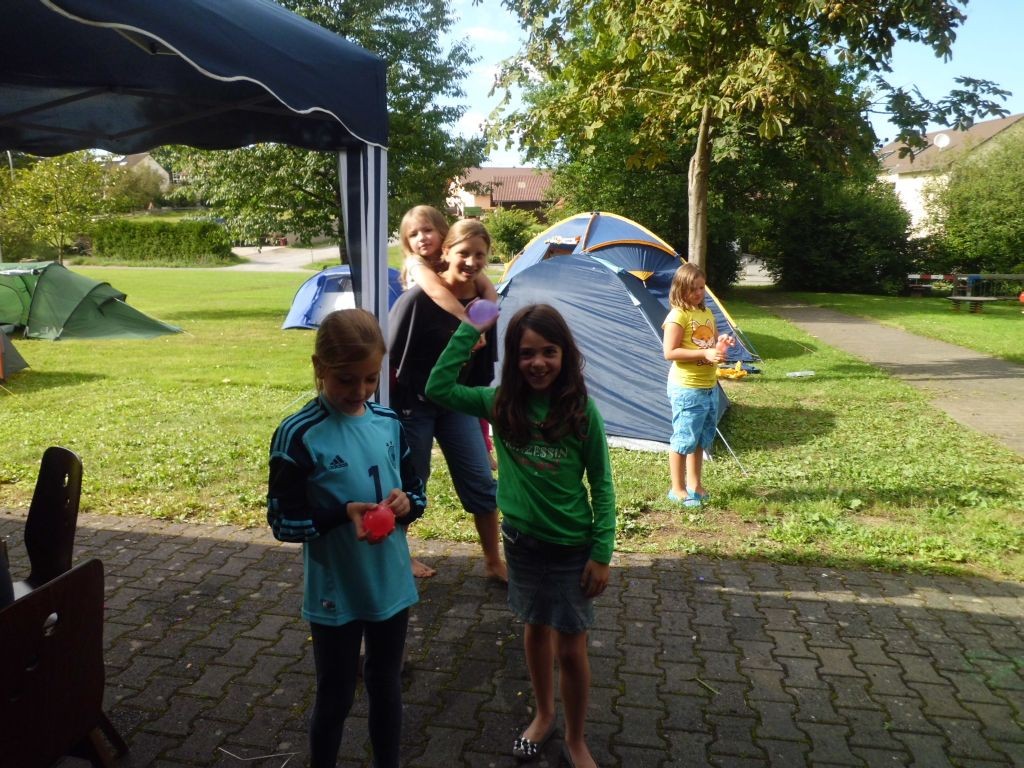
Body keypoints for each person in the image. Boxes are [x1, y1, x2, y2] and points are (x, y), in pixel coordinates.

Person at [425, 303, 616, 768]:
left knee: (571, 649)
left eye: (549, 351)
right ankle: (544, 715)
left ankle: (575, 739)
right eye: (527, 353)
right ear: (513, 357)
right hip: (522, 545)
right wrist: (468, 330)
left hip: (572, 549)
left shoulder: (581, 411)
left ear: (565, 354)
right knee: (534, 629)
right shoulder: (500, 404)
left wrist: (602, 552)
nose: (538, 362)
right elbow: (437, 388)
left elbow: (602, 484)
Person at [267, 308, 426, 768]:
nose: (359, 391)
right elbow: (282, 522)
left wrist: (406, 505)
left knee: (386, 683)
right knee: (335, 693)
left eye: (370, 379)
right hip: (335, 589)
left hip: (390, 583)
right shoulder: (298, 435)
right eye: (345, 380)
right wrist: (342, 514)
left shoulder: (388, 422)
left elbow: (417, 493)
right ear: (319, 368)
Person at [389, 218, 508, 582]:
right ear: (446, 252)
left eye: (479, 255)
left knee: (481, 482)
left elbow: (483, 368)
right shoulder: (418, 299)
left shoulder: (484, 305)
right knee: (412, 481)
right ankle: (400, 557)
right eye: (463, 253)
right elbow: (392, 358)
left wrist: (481, 414)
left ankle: (493, 561)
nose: (471, 262)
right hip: (414, 405)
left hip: (456, 406)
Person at [661, 262, 731, 508]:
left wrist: (720, 345)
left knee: (700, 439)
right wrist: (705, 354)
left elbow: (709, 346)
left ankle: (695, 484)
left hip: (708, 387)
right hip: (687, 388)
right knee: (683, 439)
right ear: (680, 289)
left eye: (702, 287)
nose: (699, 293)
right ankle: (677, 488)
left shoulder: (707, 313)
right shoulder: (678, 316)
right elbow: (669, 352)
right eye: (693, 289)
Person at [398, 204, 498, 323]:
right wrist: (468, 321)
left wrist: (487, 315)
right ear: (407, 242)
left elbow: (487, 287)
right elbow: (435, 291)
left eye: (428, 230)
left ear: (441, 230)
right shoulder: (414, 262)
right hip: (423, 318)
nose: (421, 238)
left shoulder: (454, 257)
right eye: (413, 235)